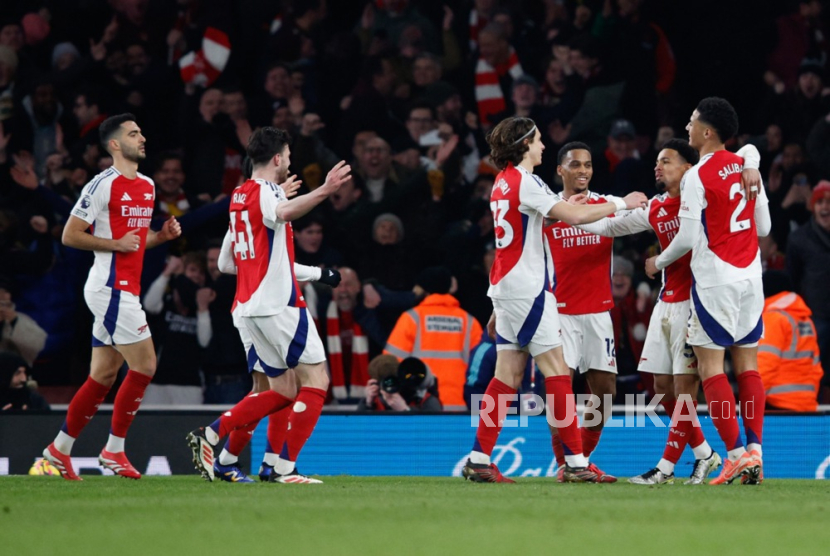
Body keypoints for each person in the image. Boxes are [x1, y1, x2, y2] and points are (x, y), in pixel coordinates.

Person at [462, 116, 647, 483]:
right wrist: (620, 202)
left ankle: (479, 458)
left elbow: (525, 228)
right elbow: (574, 215)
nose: (543, 145)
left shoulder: (502, 182)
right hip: (529, 289)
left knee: (507, 375)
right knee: (556, 372)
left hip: (505, 286)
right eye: (539, 140)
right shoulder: (526, 182)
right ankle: (576, 463)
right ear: (525, 143)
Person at [580, 139, 761, 484]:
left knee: (684, 389)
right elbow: (610, 226)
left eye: (666, 161)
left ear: (689, 168)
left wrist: (750, 160)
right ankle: (705, 454)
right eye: (657, 160)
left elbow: (745, 155)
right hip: (666, 303)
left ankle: (665, 469)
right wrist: (572, 214)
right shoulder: (658, 206)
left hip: (697, 302)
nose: (657, 166)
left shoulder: (708, 202)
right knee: (661, 388)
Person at [187, 127, 350, 484]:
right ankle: (283, 466)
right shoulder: (265, 191)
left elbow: (227, 263)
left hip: (249, 306)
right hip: (279, 304)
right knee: (317, 379)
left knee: (281, 390)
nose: (290, 161)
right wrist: (324, 189)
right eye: (288, 156)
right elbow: (283, 213)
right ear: (277, 158)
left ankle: (218, 440)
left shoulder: (239, 195)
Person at [41, 113, 182, 481]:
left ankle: (59, 449)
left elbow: (137, 240)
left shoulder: (149, 186)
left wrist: (161, 237)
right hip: (110, 289)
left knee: (103, 374)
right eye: (134, 134)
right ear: (115, 144)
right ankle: (113, 450)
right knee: (146, 365)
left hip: (124, 289)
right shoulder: (102, 184)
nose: (142, 138)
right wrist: (114, 244)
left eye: (141, 131)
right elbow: (71, 235)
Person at [645, 98, 771, 485]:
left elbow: (686, 236)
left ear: (707, 132)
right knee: (748, 366)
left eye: (692, 122)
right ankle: (754, 452)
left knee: (712, 369)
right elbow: (763, 227)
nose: (687, 127)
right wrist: (750, 162)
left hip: (715, 280)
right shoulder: (749, 169)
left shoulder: (698, 175)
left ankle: (733, 455)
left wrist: (658, 262)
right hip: (751, 277)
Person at [542, 141, 624, 483]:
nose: (583, 171)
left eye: (588, 165)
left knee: (605, 392)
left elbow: (637, 220)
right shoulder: (546, 209)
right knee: (561, 387)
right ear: (560, 170)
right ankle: (566, 464)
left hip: (598, 313)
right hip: (559, 312)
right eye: (575, 165)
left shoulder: (605, 206)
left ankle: (582, 460)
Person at [384, 266, 482, 409]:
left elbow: (390, 363)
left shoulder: (412, 318)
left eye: (417, 287)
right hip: (460, 406)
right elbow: (481, 367)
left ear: (426, 289)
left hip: (423, 405)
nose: (413, 291)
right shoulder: (469, 321)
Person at [758, 271, 823, 412]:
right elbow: (815, 366)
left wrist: (752, 399)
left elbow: (765, 364)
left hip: (777, 405)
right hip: (806, 404)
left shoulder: (773, 319)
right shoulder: (804, 320)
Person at [786, 181, 830, 390]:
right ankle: (816, 412)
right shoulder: (799, 238)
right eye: (820, 201)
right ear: (813, 206)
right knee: (815, 368)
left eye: (829, 201)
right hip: (816, 316)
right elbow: (792, 280)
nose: (825, 207)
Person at [359, 355, 443, 411]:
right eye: (387, 383)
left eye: (395, 380)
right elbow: (360, 432)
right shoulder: (377, 401)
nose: (392, 387)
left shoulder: (424, 400)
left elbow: (434, 433)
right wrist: (368, 404)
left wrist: (405, 410)